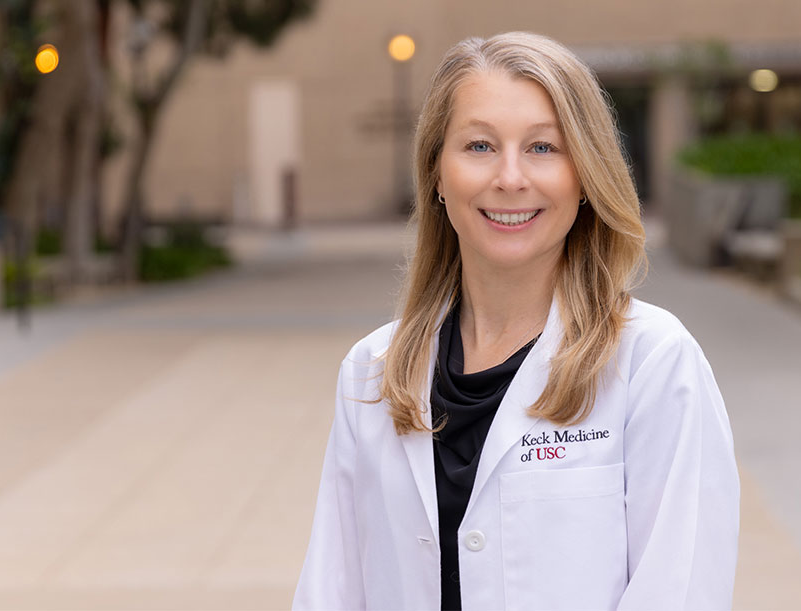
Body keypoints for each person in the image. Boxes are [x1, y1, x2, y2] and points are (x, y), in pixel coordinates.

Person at [293, 32, 739, 610]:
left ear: (584, 176)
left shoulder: (653, 363)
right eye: (478, 146)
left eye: (543, 148)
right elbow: (333, 589)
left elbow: (679, 592)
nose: (509, 177)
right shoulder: (371, 372)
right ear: (435, 175)